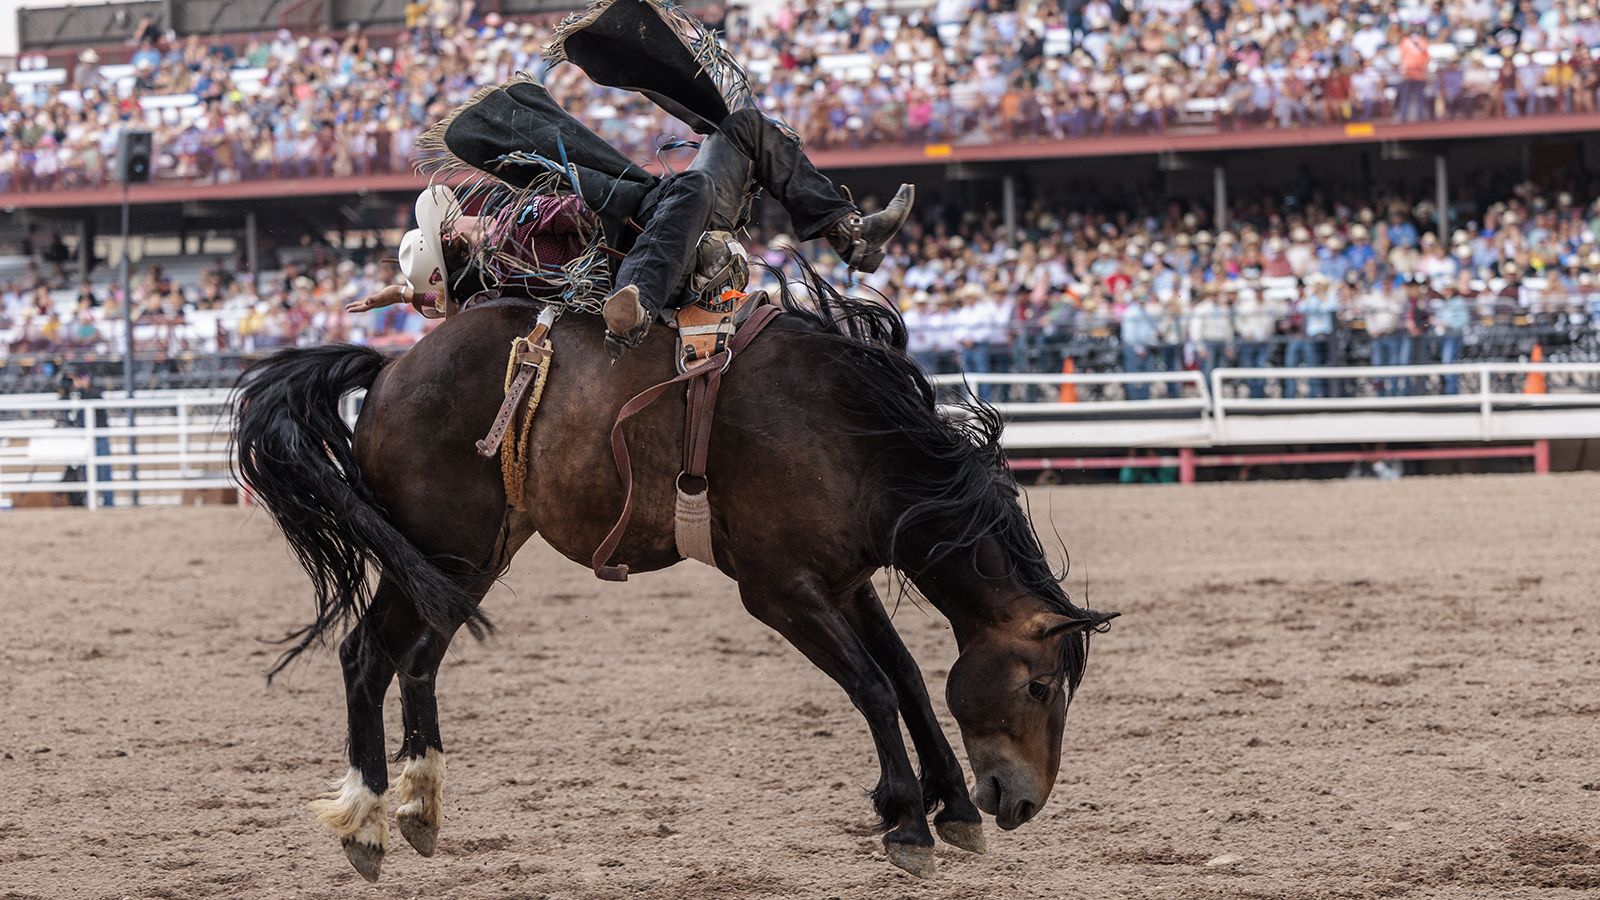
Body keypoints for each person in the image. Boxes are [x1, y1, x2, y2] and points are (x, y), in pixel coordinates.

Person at [352, 0, 913, 361]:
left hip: (668, 222)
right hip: (648, 243)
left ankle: (850, 234)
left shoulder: (495, 245)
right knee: (691, 187)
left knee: (742, 126)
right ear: (455, 242)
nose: (463, 212)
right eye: (453, 224)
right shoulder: (503, 250)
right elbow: (573, 217)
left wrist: (403, 293)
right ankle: (637, 302)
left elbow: (445, 290)